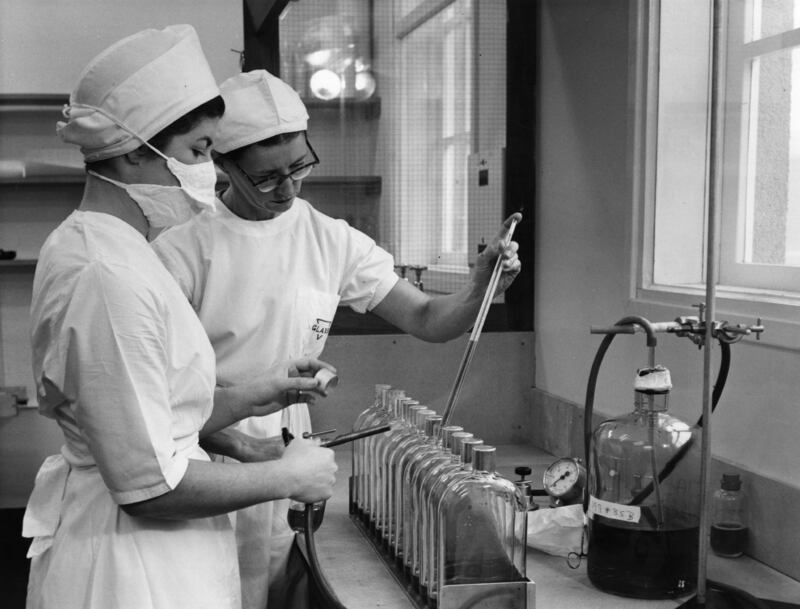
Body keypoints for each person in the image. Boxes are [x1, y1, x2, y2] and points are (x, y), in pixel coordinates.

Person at [151, 68, 522, 609]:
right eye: (266, 177)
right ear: (222, 165)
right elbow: (159, 398)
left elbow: (425, 319)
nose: (287, 188)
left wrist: (477, 288)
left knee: (275, 581)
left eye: (298, 167)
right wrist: (241, 448)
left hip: (288, 449)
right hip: (200, 451)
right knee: (209, 593)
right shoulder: (182, 249)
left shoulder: (330, 239)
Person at [22, 28, 337, 609]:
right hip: (130, 569)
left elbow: (148, 412)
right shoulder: (104, 276)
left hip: (158, 556)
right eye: (197, 151)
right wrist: (290, 477)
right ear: (134, 149)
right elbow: (149, 487)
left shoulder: (119, 249)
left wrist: (248, 400)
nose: (211, 173)